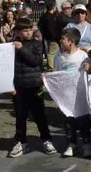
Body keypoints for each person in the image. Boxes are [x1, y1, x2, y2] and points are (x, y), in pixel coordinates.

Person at [8, 18, 56, 158]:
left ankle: (46, 139)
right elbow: (8, 67)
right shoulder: (11, 46)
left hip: (34, 84)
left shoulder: (37, 44)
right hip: (19, 85)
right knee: (20, 116)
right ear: (17, 32)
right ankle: (21, 141)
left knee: (39, 114)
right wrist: (10, 85)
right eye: (25, 30)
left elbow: (35, 61)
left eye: (30, 30)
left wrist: (21, 48)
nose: (28, 33)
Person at [53, 28, 91, 158]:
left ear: (71, 41)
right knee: (69, 120)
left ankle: (86, 144)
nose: (60, 41)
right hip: (66, 95)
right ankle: (72, 143)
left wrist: (88, 67)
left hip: (80, 94)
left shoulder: (82, 56)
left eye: (63, 39)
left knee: (83, 120)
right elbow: (57, 74)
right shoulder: (59, 57)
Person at [39, 2, 62, 70]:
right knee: (51, 54)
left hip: (46, 37)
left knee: (50, 53)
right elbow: (51, 29)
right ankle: (51, 68)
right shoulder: (51, 17)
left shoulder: (44, 16)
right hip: (52, 38)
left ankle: (51, 67)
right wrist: (55, 38)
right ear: (53, 8)